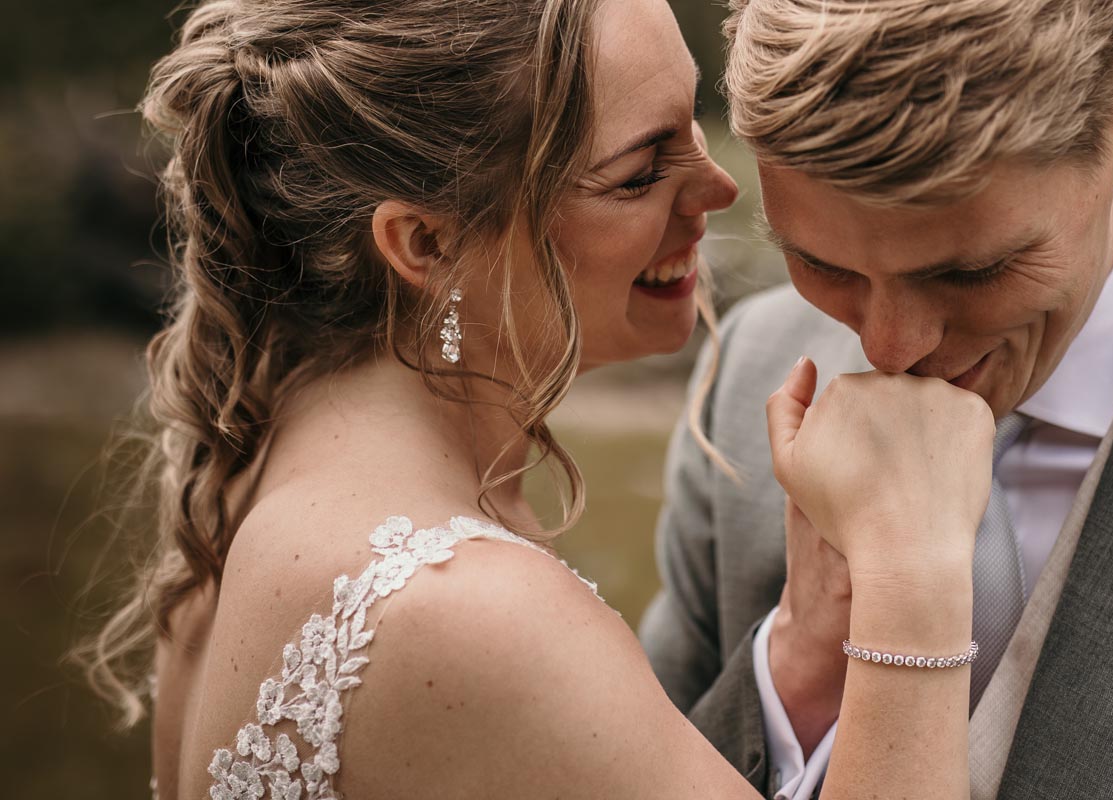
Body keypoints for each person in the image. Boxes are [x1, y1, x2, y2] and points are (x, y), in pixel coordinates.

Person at [78, 0, 1000, 798]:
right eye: (643, 169)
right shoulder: (465, 610)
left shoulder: (253, 482)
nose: (717, 190)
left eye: (696, 125)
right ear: (427, 244)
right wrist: (911, 573)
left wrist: (796, 661)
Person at [641, 0, 1113, 798]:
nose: (888, 350)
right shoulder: (751, 366)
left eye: (969, 272)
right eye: (822, 265)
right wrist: (797, 665)